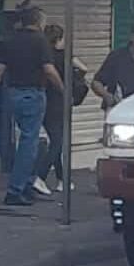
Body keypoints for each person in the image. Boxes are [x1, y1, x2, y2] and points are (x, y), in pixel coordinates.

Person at [0, 6, 63, 206]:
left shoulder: (10, 40)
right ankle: (16, 189)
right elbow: (49, 69)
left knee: (30, 141)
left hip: (12, 94)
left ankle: (27, 184)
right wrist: (63, 89)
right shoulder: (40, 41)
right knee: (29, 144)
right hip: (32, 94)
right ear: (38, 22)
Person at [33, 25, 89, 195]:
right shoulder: (63, 56)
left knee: (55, 140)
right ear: (59, 40)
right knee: (58, 141)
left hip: (43, 101)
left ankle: (62, 179)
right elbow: (84, 69)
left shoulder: (41, 56)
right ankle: (40, 177)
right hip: (59, 103)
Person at [92, 18, 134, 110]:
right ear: (133, 37)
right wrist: (106, 96)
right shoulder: (117, 57)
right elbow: (96, 82)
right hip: (120, 109)